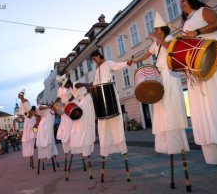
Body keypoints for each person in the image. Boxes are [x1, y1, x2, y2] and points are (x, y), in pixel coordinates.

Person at [179, 0, 217, 193]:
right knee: (204, 105)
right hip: (196, 65)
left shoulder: (203, 11)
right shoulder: (186, 21)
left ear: (193, 1)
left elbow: (216, 23)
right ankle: (215, 144)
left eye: (184, 1)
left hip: (212, 56)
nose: (181, 5)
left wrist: (196, 32)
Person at [132, 12, 191, 190]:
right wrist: (133, 60)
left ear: (163, 29)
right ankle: (167, 138)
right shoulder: (155, 43)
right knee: (161, 108)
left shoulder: (170, 38)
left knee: (171, 108)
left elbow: (171, 49)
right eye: (154, 29)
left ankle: (177, 140)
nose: (155, 31)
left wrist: (158, 39)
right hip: (159, 77)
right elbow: (145, 54)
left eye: (157, 29)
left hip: (170, 77)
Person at [90, 49, 133, 182]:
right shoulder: (97, 70)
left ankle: (121, 146)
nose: (94, 62)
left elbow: (117, 65)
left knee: (115, 124)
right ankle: (105, 148)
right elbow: (95, 84)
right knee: (103, 127)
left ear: (98, 56)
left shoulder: (108, 63)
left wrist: (127, 62)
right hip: (101, 98)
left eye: (94, 59)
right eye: (93, 61)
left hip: (109, 94)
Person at [69, 82, 96, 180]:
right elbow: (73, 97)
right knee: (79, 126)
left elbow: (77, 85)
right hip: (82, 102)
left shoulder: (75, 84)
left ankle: (85, 144)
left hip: (86, 101)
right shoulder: (70, 90)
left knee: (85, 125)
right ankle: (80, 143)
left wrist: (87, 84)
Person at [55, 76, 74, 171]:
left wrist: (71, 99)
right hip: (62, 109)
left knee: (70, 124)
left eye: (60, 82)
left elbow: (74, 94)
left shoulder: (69, 86)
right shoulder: (59, 89)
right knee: (64, 125)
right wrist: (54, 104)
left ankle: (73, 142)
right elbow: (58, 98)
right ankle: (66, 147)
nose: (59, 83)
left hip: (70, 107)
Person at [36, 98, 59, 173]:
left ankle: (53, 159)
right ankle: (44, 158)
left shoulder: (51, 110)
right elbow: (39, 107)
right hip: (43, 129)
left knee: (50, 144)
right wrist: (49, 106)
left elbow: (57, 109)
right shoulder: (43, 109)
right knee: (44, 143)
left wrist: (54, 103)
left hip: (48, 130)